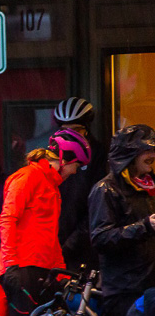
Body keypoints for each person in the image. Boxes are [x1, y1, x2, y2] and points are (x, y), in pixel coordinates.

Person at [0, 129, 90, 316]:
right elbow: (7, 219)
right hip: (21, 268)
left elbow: (50, 237)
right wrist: (11, 264)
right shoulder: (28, 177)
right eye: (76, 165)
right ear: (65, 160)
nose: (75, 172)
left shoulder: (52, 187)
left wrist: (63, 276)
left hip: (41, 270)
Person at [88, 124, 155, 316]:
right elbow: (101, 238)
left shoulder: (149, 186)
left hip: (149, 286)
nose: (152, 156)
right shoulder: (105, 190)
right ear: (130, 155)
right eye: (147, 150)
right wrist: (145, 226)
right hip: (125, 290)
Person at [55, 98, 108, 270]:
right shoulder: (53, 156)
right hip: (54, 244)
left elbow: (96, 208)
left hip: (84, 248)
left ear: (86, 131)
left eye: (76, 130)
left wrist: (70, 244)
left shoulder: (99, 156)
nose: (70, 136)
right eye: (64, 131)